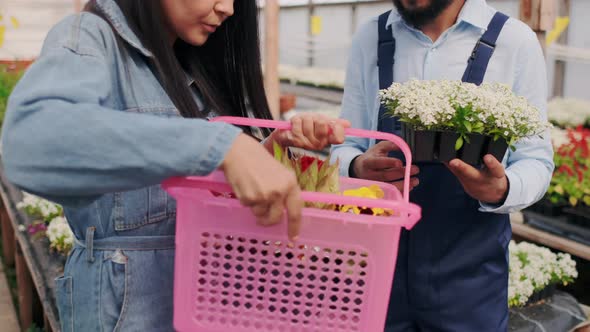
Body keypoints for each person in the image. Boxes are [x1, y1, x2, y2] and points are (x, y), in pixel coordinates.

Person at [1, 0, 349, 330]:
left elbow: (196, 187)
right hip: (127, 312)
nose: (227, 8)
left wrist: (268, 150)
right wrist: (221, 146)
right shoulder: (89, 38)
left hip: (209, 303)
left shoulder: (188, 60)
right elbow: (33, 139)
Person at [331, 0, 554, 330]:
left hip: (469, 280)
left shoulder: (513, 40)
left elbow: (536, 159)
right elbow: (345, 144)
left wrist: (501, 188)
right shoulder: (372, 36)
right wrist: (356, 166)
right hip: (378, 272)